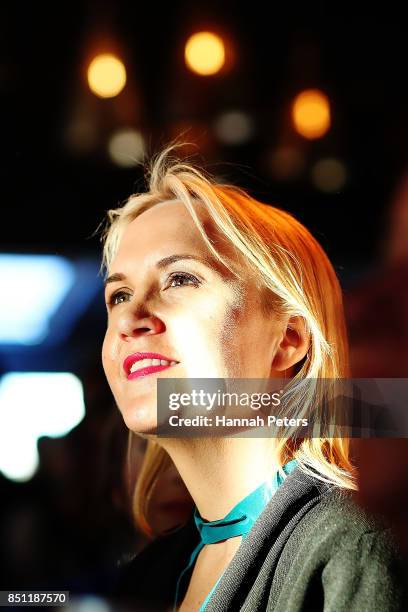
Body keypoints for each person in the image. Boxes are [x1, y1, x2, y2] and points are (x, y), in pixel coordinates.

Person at [98, 145, 406, 611]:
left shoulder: (351, 549)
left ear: (289, 339)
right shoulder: (148, 577)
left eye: (180, 279)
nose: (130, 318)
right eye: (119, 294)